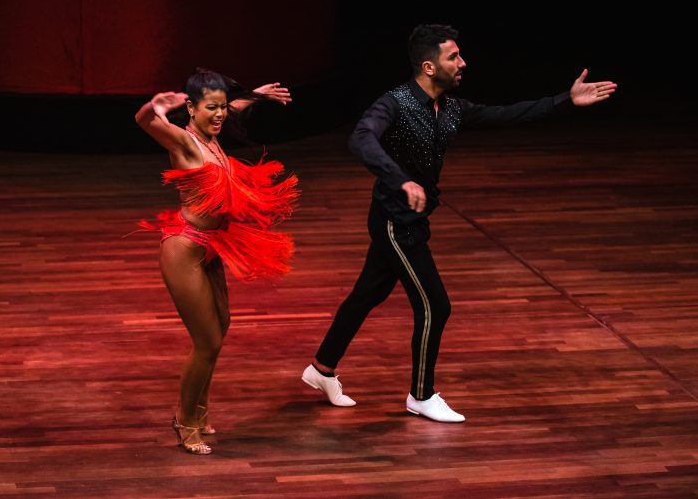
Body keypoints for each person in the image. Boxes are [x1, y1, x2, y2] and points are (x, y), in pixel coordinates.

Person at [302, 24, 617, 422]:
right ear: (429, 66)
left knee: (367, 295)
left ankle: (321, 369)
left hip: (414, 219)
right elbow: (361, 138)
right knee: (436, 304)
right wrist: (400, 179)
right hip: (394, 222)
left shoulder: (451, 108)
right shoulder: (395, 103)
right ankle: (421, 394)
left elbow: (507, 114)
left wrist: (564, 101)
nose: (463, 62)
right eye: (454, 57)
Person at [135, 68, 298, 454]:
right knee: (206, 341)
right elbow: (144, 122)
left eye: (223, 107)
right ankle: (184, 421)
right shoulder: (185, 142)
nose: (221, 114)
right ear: (190, 108)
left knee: (220, 330)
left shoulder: (212, 133)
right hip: (185, 249)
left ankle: (199, 411)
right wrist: (154, 107)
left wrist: (254, 96)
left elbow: (233, 107)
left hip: (212, 246)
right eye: (212, 108)